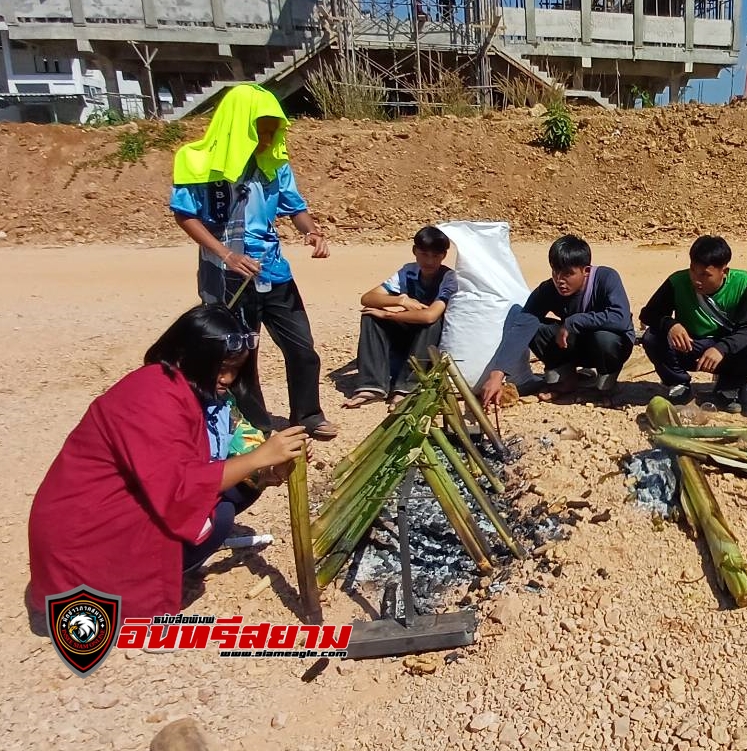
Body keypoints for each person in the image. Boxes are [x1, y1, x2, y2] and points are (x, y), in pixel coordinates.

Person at [28, 304, 309, 621]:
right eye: (222, 368)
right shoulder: (152, 396)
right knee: (219, 516)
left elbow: (241, 452)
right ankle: (128, 585)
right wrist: (259, 457)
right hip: (88, 533)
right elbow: (177, 488)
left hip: (142, 497)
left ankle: (168, 561)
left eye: (236, 369)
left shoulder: (207, 394)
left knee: (241, 488)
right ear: (190, 356)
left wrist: (273, 467)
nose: (228, 378)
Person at [170, 83, 338, 440]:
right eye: (260, 129)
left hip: (273, 270)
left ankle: (308, 415)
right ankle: (256, 427)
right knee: (240, 354)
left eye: (272, 129)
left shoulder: (275, 164)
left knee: (302, 348)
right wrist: (226, 254)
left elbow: (296, 209)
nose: (267, 137)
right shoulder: (197, 161)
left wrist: (312, 231)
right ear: (238, 125)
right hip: (228, 275)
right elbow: (185, 215)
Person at [638, 235, 747, 414]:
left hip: (723, 352)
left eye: (705, 275)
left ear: (724, 271)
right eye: (693, 270)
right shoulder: (677, 282)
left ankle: (728, 386)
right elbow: (648, 314)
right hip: (689, 347)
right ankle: (678, 383)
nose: (696, 279)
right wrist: (671, 324)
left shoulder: (742, 283)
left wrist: (722, 348)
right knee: (652, 338)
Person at [345, 226, 458, 408]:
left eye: (435, 256)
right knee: (370, 315)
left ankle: (407, 387)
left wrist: (389, 314)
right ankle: (372, 385)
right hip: (405, 326)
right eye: (423, 254)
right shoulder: (408, 272)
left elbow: (430, 315)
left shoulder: (448, 278)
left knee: (432, 323)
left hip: (428, 337)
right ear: (414, 251)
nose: (429, 261)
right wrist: (402, 300)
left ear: (444, 256)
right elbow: (367, 298)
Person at [523, 234, 635, 400]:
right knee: (533, 327)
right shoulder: (549, 289)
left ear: (586, 271)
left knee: (604, 337)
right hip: (574, 345)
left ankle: (606, 387)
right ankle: (565, 381)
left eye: (568, 274)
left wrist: (574, 321)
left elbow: (620, 318)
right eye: (556, 272)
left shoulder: (606, 278)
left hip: (608, 347)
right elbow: (523, 322)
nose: (560, 280)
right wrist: (499, 372)